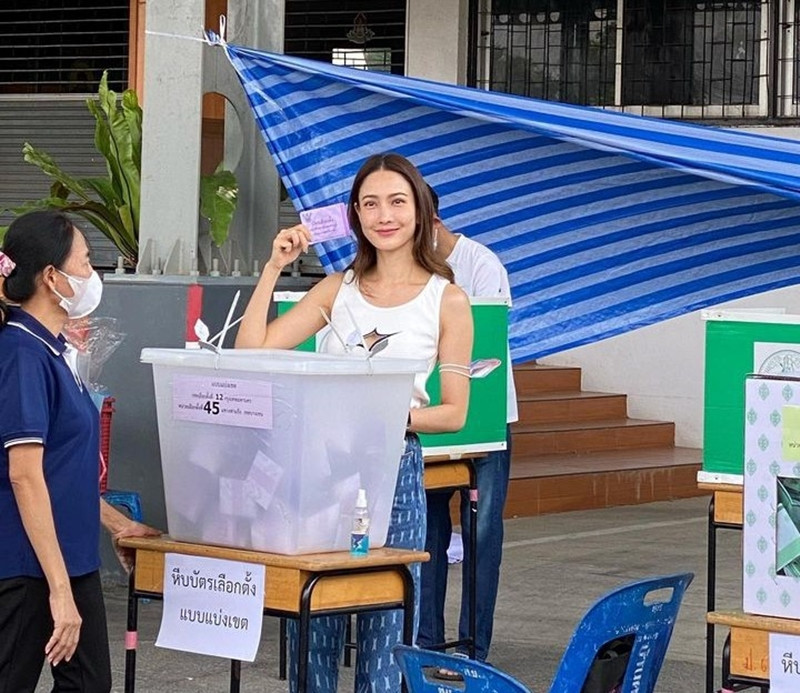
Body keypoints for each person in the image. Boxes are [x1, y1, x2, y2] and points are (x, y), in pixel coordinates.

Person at [236, 153, 474, 692]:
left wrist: (384, 414)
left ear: (420, 210)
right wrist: (273, 268)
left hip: (394, 467)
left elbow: (454, 412)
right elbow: (252, 351)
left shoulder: (448, 299)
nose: (384, 215)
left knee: (387, 630)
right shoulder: (336, 288)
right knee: (312, 627)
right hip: (318, 468)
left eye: (397, 202)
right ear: (355, 215)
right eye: (370, 204)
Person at [0, 210, 159, 693]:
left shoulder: (53, 350)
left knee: (89, 683)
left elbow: (63, 469)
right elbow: (25, 476)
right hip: (30, 566)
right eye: (86, 262)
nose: (94, 274)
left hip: (72, 557)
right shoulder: (21, 354)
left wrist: (116, 523)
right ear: (52, 277)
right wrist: (59, 591)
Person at [416, 186, 519, 663]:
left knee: (482, 534)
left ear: (433, 223)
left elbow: (485, 339)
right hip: (433, 418)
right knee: (428, 530)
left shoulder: (481, 264)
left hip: (486, 422)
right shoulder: (409, 269)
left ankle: (475, 648)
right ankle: (428, 643)